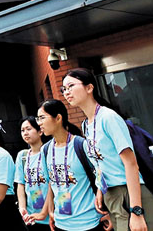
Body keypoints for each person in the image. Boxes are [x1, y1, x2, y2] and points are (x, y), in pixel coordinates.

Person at [62, 69, 153, 231]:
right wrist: (101, 191)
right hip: (112, 197)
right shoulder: (86, 124)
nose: (67, 92)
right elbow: (101, 164)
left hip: (130, 195)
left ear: (89, 88)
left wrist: (136, 211)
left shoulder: (109, 118)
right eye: (64, 89)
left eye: (71, 86)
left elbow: (131, 164)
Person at [36, 99, 104, 231]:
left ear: (58, 118)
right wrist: (51, 212)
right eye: (38, 119)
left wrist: (108, 211)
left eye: (42, 118)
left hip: (89, 222)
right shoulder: (45, 150)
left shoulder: (81, 145)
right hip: (61, 224)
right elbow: (51, 183)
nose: (39, 123)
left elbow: (101, 173)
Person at [15, 116, 49, 227]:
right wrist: (22, 208)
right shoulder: (22, 156)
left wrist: (44, 212)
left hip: (52, 215)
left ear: (40, 131)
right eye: (22, 130)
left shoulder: (49, 153)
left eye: (29, 129)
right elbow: (21, 184)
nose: (25, 133)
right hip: (32, 217)